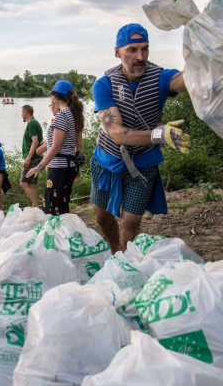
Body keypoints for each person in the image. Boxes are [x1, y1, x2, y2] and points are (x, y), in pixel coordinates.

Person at [90, 23, 191, 253]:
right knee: (102, 218)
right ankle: (115, 250)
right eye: (133, 50)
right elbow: (115, 133)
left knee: (131, 221)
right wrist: (159, 135)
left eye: (145, 49)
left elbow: (186, 80)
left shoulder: (160, 77)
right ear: (117, 52)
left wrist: (204, 53)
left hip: (142, 164)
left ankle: (127, 262)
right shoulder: (104, 84)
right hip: (107, 161)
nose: (140, 56)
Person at [26, 80, 84, 215]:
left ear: (56, 97)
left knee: (52, 209)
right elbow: (78, 146)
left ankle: (55, 235)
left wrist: (39, 167)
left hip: (58, 168)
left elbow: (56, 147)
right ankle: (64, 234)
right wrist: (77, 168)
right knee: (63, 206)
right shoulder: (75, 115)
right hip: (69, 166)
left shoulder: (62, 115)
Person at [19, 105, 44, 208]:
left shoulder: (32, 123)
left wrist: (28, 159)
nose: (21, 114)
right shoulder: (34, 122)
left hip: (33, 158)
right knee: (32, 184)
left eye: (22, 112)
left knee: (23, 183)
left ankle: (36, 206)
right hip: (36, 158)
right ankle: (35, 207)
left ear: (25, 112)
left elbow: (35, 141)